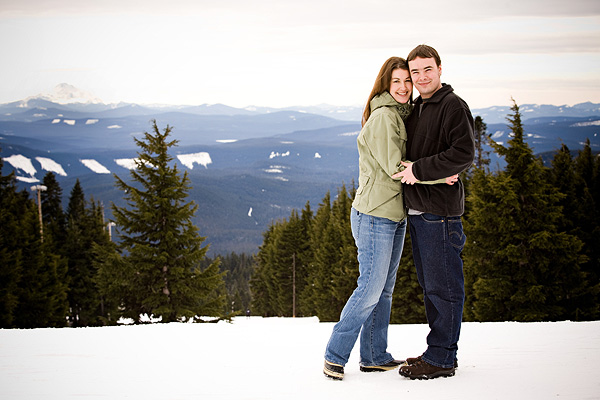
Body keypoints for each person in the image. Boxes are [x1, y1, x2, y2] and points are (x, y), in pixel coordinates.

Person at [323, 56, 457, 381]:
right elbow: (396, 168)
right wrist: (439, 177)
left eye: (407, 81)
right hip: (374, 216)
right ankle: (334, 355)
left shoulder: (401, 114)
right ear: (385, 83)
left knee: (384, 290)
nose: (402, 87)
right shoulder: (384, 117)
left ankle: (374, 356)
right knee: (369, 288)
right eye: (396, 81)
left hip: (392, 215)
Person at [393, 45, 475, 380]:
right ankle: (437, 350)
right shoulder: (419, 107)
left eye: (428, 69)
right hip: (419, 211)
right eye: (416, 72)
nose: (422, 77)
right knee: (431, 286)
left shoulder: (452, 106)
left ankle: (442, 358)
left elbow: (464, 152)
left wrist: (421, 171)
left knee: (444, 287)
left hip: (439, 213)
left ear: (440, 69)